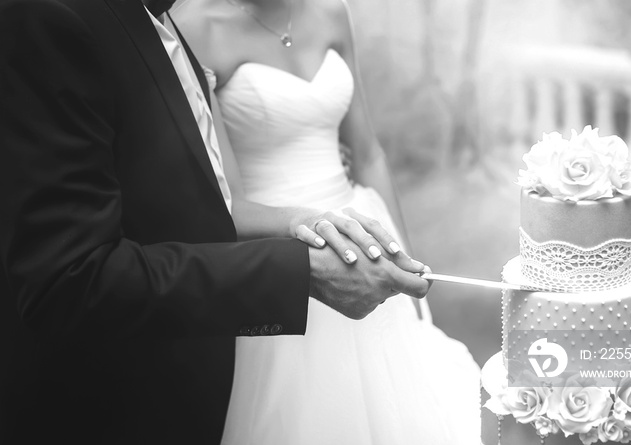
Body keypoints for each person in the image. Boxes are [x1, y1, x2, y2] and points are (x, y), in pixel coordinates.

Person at [0, 0, 432, 443]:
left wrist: (324, 227)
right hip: (109, 404)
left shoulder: (161, 21)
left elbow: (192, 194)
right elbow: (72, 279)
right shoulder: (57, 17)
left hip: (327, 242)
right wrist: (299, 267)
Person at [171, 0, 483, 443]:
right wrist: (317, 230)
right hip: (283, 246)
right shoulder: (194, 26)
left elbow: (368, 152)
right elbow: (227, 204)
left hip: (366, 231)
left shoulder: (331, 10)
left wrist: (406, 262)